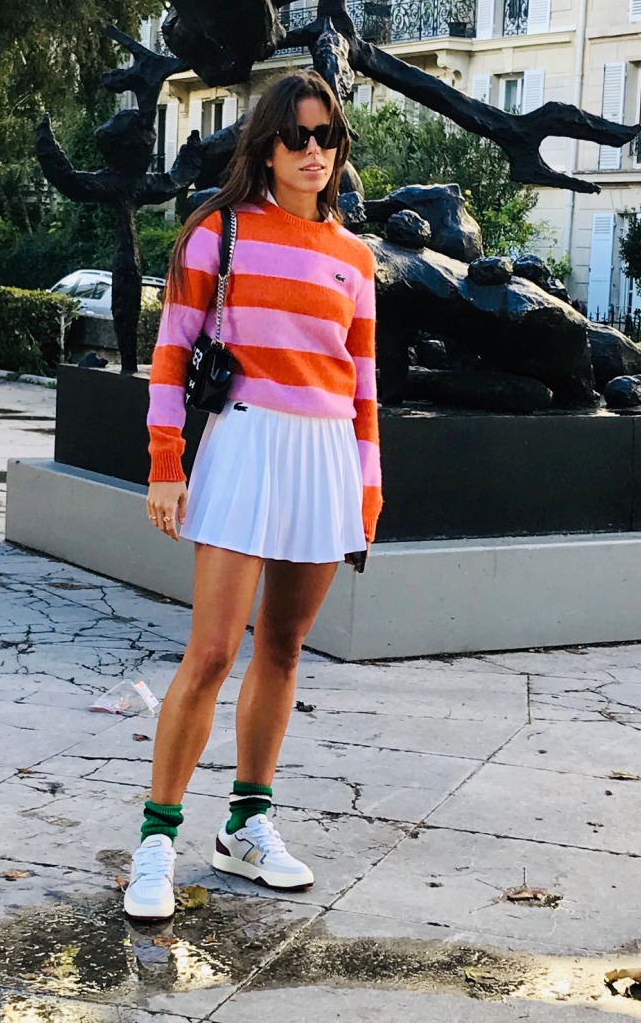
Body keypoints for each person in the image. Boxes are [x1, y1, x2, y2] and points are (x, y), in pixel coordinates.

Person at [124, 69, 382, 920]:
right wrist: (166, 463)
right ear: (267, 147)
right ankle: (156, 841)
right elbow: (171, 352)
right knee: (209, 653)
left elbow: (363, 388)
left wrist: (367, 493)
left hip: (325, 456)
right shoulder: (219, 231)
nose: (314, 151)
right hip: (242, 444)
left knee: (282, 649)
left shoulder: (355, 258)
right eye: (296, 136)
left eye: (326, 136)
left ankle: (245, 824)